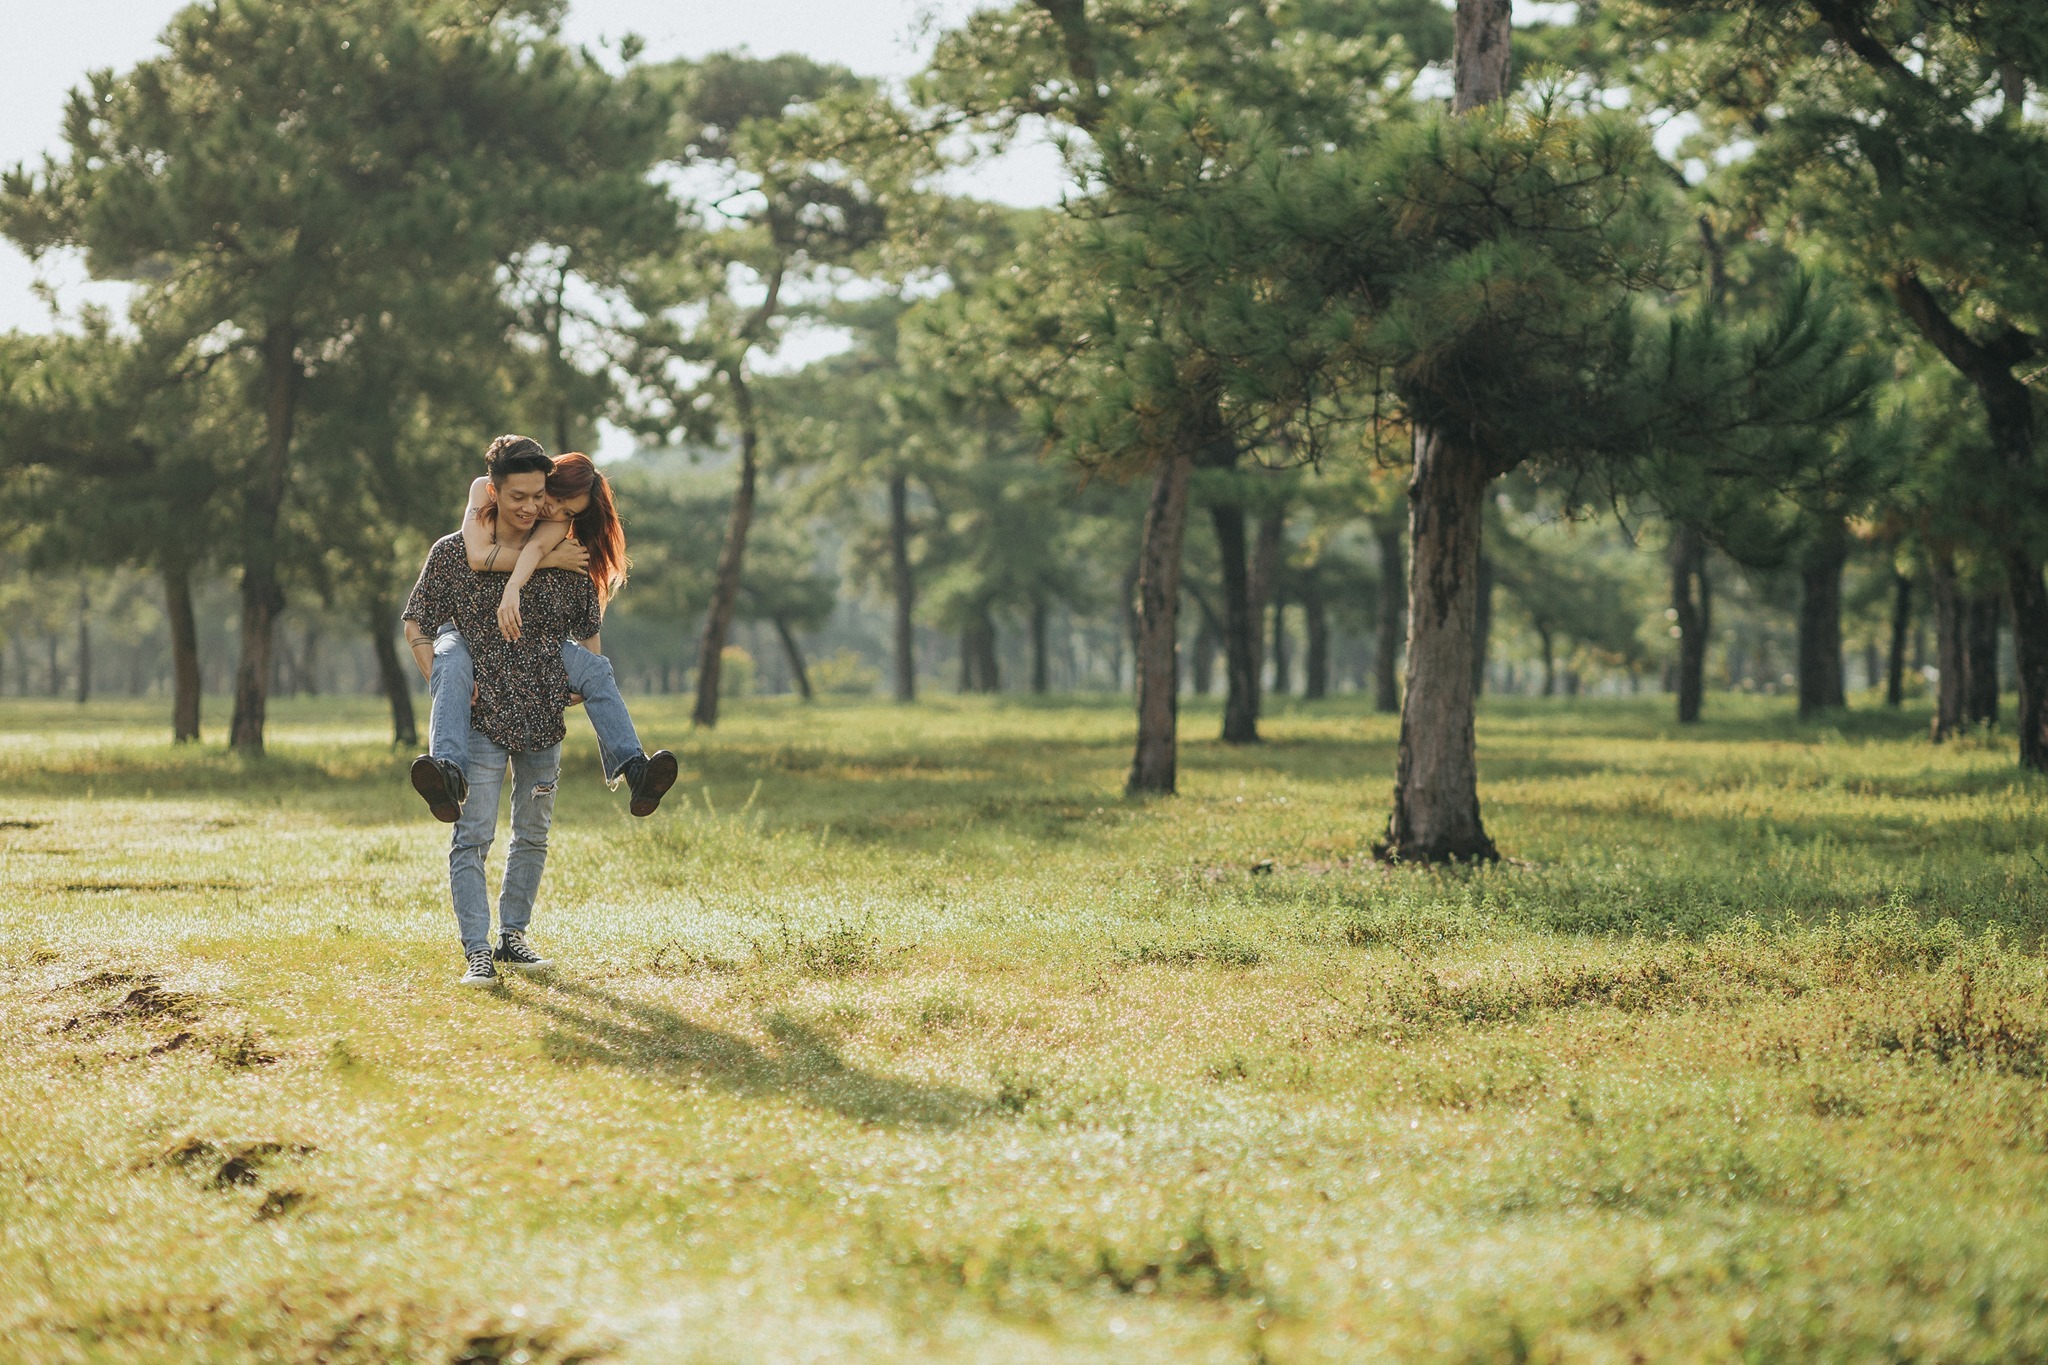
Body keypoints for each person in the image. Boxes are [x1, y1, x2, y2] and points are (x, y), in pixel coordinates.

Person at [397, 435, 653, 985]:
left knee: (533, 835)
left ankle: (513, 938)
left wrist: (582, 685)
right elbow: (417, 621)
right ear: (493, 492)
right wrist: (443, 682)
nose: (531, 506)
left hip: (542, 720)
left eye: (540, 495)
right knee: (473, 836)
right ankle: (477, 951)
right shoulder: (453, 553)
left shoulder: (567, 557)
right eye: (519, 496)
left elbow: (588, 634)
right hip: (481, 722)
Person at [410, 443, 677, 823]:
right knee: (451, 662)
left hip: (538, 651)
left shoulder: (556, 525)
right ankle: (447, 772)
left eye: (569, 513)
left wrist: (583, 679)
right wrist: (540, 569)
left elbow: (585, 624)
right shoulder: (483, 492)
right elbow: (476, 557)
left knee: (598, 669)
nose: (550, 511)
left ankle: (636, 768)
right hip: (467, 632)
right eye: (556, 500)